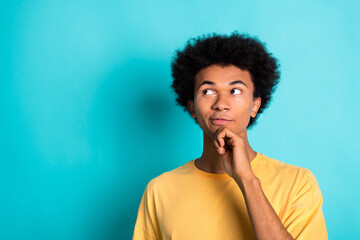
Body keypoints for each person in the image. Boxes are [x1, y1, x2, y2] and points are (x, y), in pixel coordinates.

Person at [132, 32, 328, 240]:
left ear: (255, 105)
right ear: (192, 107)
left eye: (235, 91)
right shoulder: (160, 190)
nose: (221, 103)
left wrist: (246, 179)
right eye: (208, 91)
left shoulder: (298, 183)